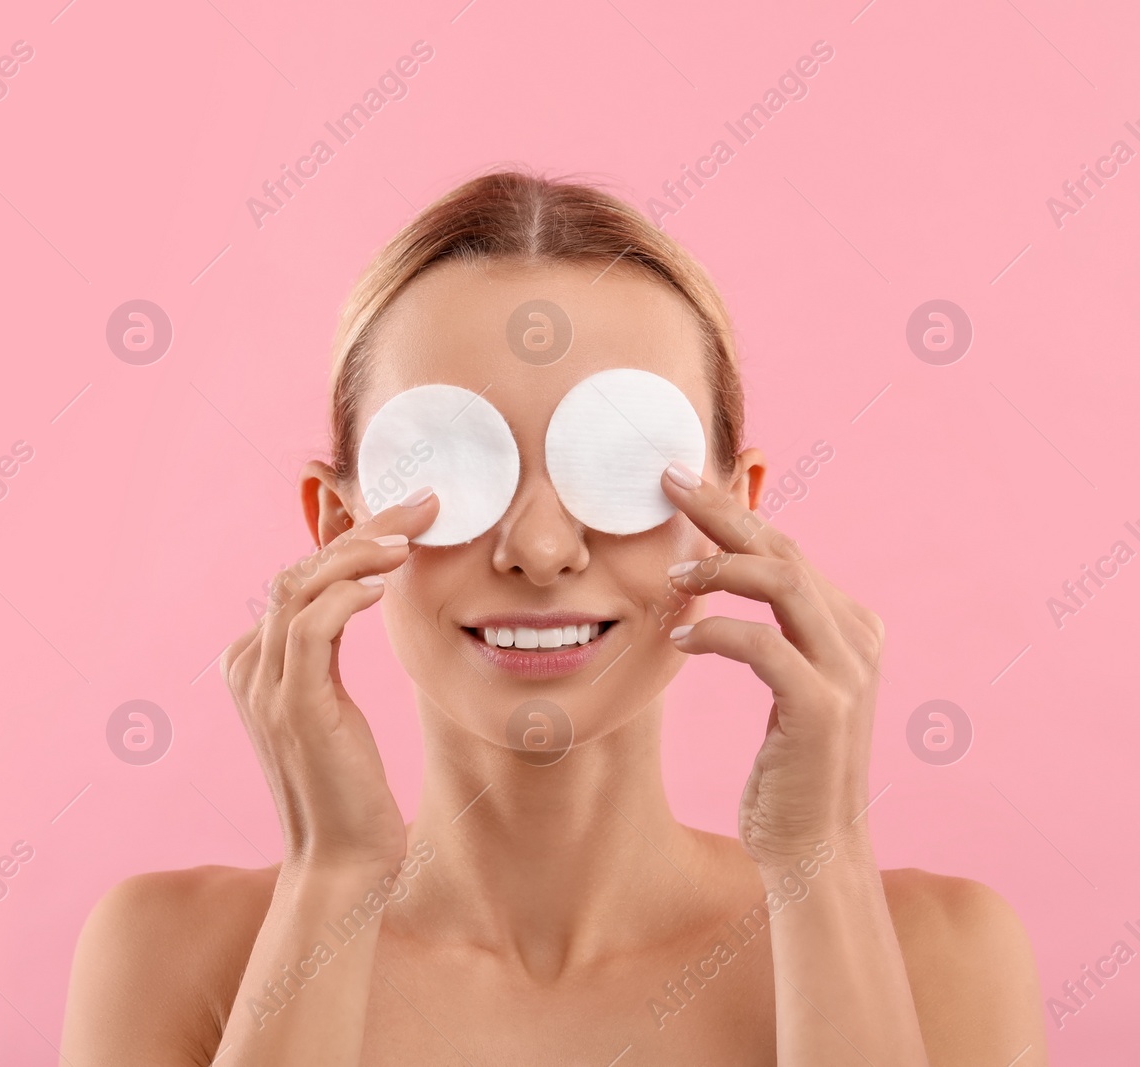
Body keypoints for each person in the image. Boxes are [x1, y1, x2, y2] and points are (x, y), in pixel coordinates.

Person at [61, 169, 1046, 1065]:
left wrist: (817, 861)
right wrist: (332, 877)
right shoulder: (173, 952)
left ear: (731, 513)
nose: (539, 547)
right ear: (338, 519)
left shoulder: (936, 954)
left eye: (618, 460)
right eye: (447, 459)